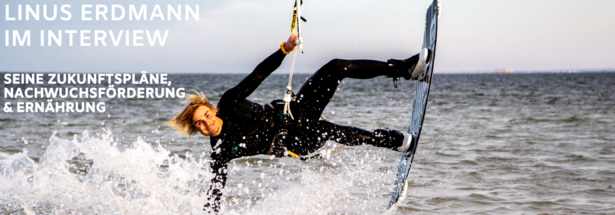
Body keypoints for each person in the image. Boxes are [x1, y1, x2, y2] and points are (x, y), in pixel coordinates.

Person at [169, 35, 429, 213]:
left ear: (212, 109)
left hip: (298, 110)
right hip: (295, 142)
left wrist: (283, 50)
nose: (207, 124)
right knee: (326, 130)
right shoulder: (220, 150)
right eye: (200, 125)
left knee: (335, 67)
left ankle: (405, 70)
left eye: (206, 116)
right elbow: (214, 193)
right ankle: (391, 142)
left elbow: (258, 75)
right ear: (196, 130)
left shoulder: (230, 102)